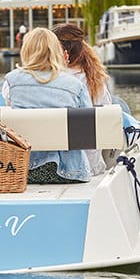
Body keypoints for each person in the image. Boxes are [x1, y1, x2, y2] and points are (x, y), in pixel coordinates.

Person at [2, 27, 93, 184]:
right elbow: (88, 127)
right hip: (69, 172)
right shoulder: (74, 84)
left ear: (26, 50)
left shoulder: (11, 81)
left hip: (24, 171)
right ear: (56, 51)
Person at [52, 23, 111, 175]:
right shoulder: (95, 81)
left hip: (52, 165)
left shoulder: (50, 81)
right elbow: (105, 121)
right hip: (89, 166)